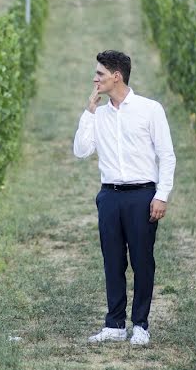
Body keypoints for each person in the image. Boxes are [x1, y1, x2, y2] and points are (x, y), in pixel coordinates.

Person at [73, 50, 176, 347]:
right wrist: (89, 111)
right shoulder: (100, 114)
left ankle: (140, 325)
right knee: (113, 261)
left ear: (116, 76)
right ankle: (115, 324)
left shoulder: (150, 109)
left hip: (142, 195)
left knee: (143, 261)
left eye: (99, 74)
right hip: (109, 197)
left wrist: (162, 195)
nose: (94, 79)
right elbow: (81, 150)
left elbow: (166, 155)